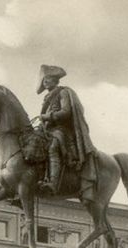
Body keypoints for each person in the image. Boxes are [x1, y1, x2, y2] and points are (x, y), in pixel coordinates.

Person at [36, 64, 97, 198]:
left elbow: (66, 111)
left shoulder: (63, 92)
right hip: (48, 130)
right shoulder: (47, 97)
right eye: (44, 79)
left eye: (49, 78)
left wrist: (48, 116)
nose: (45, 81)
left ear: (55, 80)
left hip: (61, 130)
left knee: (53, 146)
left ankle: (52, 183)